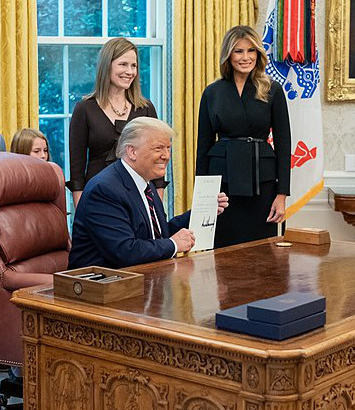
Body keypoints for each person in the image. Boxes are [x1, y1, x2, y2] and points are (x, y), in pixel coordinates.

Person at [69, 117, 228, 269]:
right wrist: (173, 244)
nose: (166, 156)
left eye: (168, 148)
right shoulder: (104, 189)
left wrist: (201, 212)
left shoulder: (145, 183)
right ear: (132, 152)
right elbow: (124, 251)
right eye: (158, 148)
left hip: (143, 278)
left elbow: (157, 234)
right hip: (102, 286)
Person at [196, 26, 291, 248]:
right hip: (222, 184)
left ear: (258, 54)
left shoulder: (273, 90)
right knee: (223, 253)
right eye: (238, 51)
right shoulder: (212, 92)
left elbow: (284, 144)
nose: (245, 57)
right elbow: (203, 146)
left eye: (251, 51)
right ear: (228, 55)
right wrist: (203, 194)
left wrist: (282, 194)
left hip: (262, 182)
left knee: (261, 253)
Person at [68, 37, 165, 207]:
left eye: (133, 66)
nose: (130, 71)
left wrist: (156, 206)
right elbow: (77, 172)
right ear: (107, 65)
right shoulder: (84, 109)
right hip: (98, 197)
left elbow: (157, 161)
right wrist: (81, 212)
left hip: (139, 198)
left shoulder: (146, 108)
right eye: (123, 64)